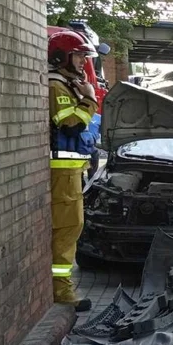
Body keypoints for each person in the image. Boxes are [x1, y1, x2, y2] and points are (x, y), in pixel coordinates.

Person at [47, 29, 100, 312]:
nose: (82, 61)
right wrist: (89, 99)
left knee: (70, 227)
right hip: (62, 173)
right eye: (79, 55)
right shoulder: (56, 86)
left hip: (69, 172)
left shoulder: (67, 84)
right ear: (61, 57)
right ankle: (62, 290)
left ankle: (61, 286)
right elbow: (71, 124)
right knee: (68, 227)